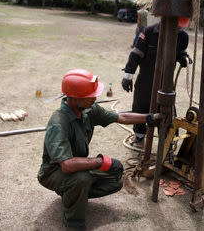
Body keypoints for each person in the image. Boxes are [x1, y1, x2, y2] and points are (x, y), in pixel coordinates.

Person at [37, 69, 160, 230]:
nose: (95, 98)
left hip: (76, 167)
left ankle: (72, 194)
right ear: (75, 98)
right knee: (81, 179)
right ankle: (74, 223)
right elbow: (66, 165)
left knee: (116, 179)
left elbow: (121, 117)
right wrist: (100, 162)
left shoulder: (88, 109)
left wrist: (150, 118)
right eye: (90, 96)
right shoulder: (59, 123)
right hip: (54, 171)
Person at [121, 18, 192, 148]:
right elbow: (136, 54)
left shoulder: (182, 36)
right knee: (140, 107)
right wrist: (128, 75)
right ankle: (139, 136)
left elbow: (180, 52)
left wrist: (183, 58)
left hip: (166, 83)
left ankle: (167, 142)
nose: (178, 29)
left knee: (167, 111)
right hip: (145, 80)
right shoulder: (149, 32)